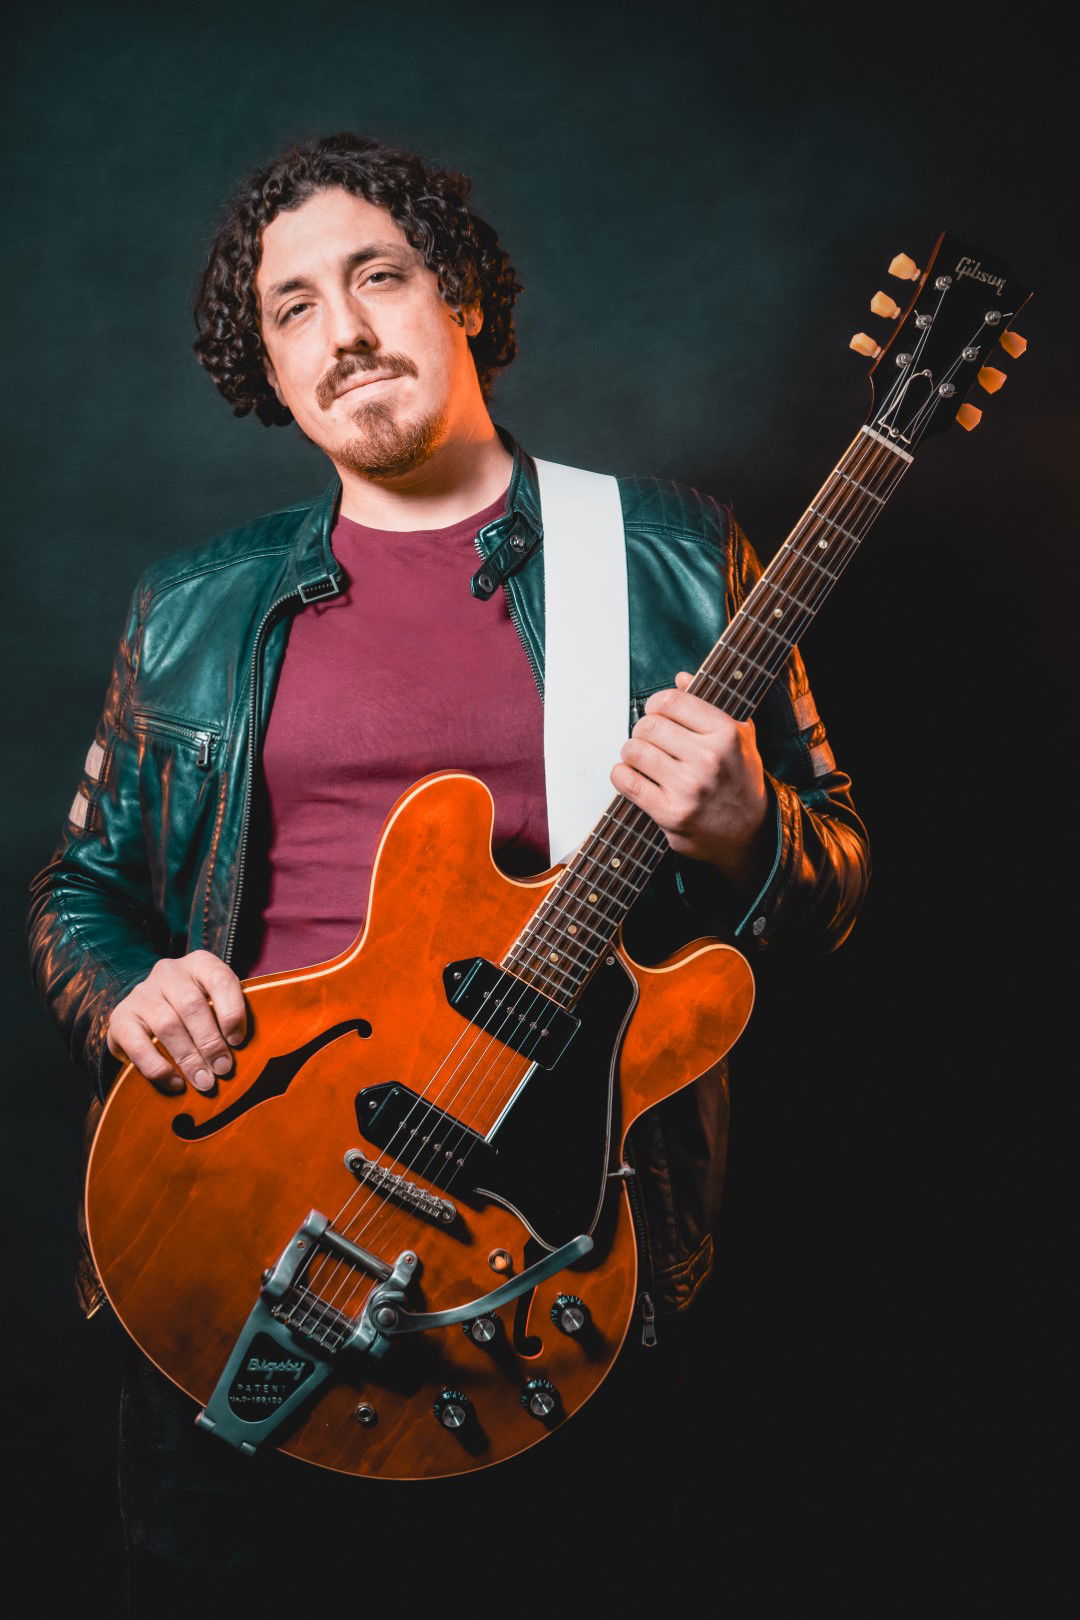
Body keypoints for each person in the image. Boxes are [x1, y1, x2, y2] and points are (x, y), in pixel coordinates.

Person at [27, 132, 869, 1609]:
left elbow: (837, 878)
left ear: (463, 293)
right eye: (294, 308)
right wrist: (128, 993)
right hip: (235, 1228)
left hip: (545, 1267)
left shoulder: (671, 555)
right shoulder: (190, 608)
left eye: (379, 278)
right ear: (271, 366)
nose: (344, 332)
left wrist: (751, 833)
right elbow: (79, 892)